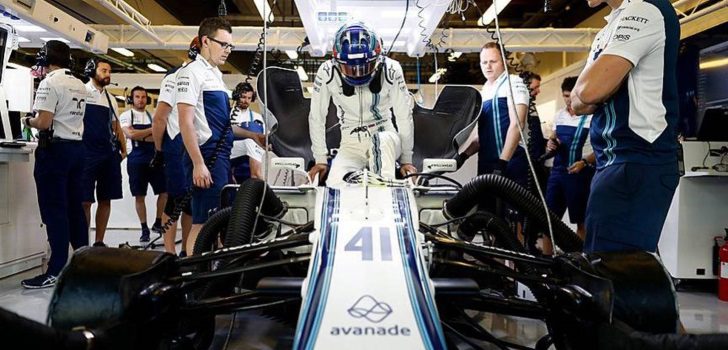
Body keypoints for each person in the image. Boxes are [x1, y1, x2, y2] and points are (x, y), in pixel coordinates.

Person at [571, 0, 680, 253]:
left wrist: (599, 89)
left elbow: (589, 92)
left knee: (620, 274)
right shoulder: (606, 30)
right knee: (603, 268)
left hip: (638, 159)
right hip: (610, 162)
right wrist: (601, 86)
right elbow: (577, 103)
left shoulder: (646, 9)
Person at [307, 22, 416, 185]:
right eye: (350, 68)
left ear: (378, 59)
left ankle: (385, 197)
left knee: (380, 141)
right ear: (337, 62)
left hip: (386, 137)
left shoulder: (392, 69)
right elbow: (317, 117)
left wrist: (407, 159)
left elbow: (403, 115)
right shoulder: (326, 72)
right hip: (350, 145)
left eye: (365, 67)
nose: (357, 73)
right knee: (334, 184)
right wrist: (320, 159)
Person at [20, 40, 88, 288]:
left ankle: (56, 268)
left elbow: (44, 122)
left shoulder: (50, 82)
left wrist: (28, 121)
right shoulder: (79, 84)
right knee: (74, 209)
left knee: (54, 210)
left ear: (46, 58)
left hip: (55, 152)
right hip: (77, 150)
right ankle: (85, 264)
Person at [177, 17, 234, 253]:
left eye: (231, 46)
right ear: (205, 41)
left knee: (216, 221)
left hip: (220, 157)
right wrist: (199, 163)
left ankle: (208, 276)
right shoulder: (191, 73)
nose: (228, 51)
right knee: (202, 222)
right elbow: (185, 121)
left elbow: (221, 123)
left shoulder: (215, 75)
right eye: (223, 44)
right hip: (206, 156)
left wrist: (253, 136)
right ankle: (193, 278)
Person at [149, 38, 199, 256]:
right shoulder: (174, 76)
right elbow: (160, 117)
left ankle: (187, 251)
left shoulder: (205, 75)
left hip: (195, 143)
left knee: (191, 201)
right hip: (176, 142)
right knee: (177, 197)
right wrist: (159, 150)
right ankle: (169, 252)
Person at [545, 77, 595, 242]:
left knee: (582, 222)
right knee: (548, 222)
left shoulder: (592, 118)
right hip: (557, 173)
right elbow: (554, 139)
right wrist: (551, 144)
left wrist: (585, 162)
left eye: (571, 96)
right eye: (565, 96)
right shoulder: (559, 115)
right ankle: (547, 261)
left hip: (581, 174)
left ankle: (580, 261)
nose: (568, 100)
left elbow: (601, 150)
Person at [81, 58, 125, 247]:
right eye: (104, 70)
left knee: (105, 199)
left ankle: (99, 241)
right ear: (92, 70)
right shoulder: (81, 92)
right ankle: (83, 242)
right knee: (85, 201)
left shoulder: (111, 99)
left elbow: (117, 127)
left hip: (107, 154)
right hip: (86, 154)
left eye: (109, 71)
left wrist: (124, 150)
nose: (108, 74)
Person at [119, 86, 167, 242]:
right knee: (140, 195)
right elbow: (130, 134)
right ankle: (144, 227)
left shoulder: (152, 116)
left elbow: (159, 137)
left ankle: (158, 221)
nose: (141, 100)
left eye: (143, 97)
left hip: (154, 158)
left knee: (164, 191)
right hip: (136, 160)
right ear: (131, 99)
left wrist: (142, 135)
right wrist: (151, 131)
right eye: (137, 97)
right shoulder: (126, 115)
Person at [230, 82, 267, 182]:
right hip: (229, 152)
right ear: (236, 96)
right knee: (249, 141)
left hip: (251, 156)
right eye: (243, 97)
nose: (246, 101)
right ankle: (259, 180)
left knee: (254, 144)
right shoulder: (227, 114)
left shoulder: (257, 117)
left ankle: (258, 178)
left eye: (249, 98)